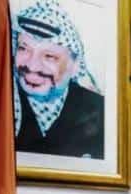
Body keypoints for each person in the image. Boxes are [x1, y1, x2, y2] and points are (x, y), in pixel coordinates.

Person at [13, 0, 104, 159]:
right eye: (24, 48)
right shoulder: (1, 104)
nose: (32, 66)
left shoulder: (100, 110)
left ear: (75, 65)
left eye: (49, 56)